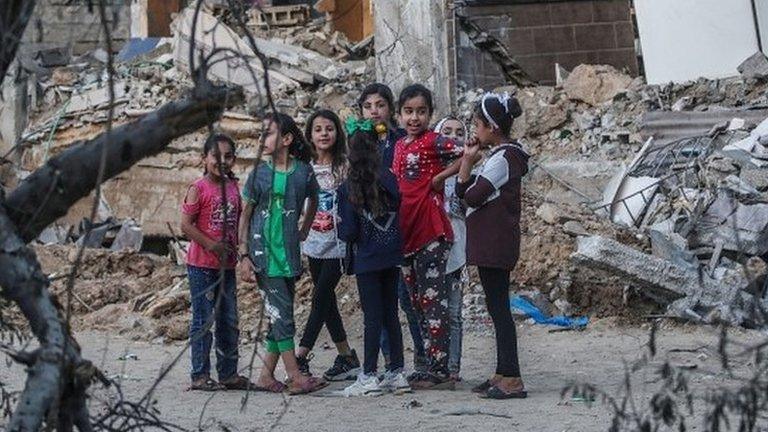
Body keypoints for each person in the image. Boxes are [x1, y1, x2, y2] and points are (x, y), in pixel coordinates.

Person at [237, 113, 327, 395]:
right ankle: (295, 376)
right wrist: (243, 254)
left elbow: (315, 197)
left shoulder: (303, 172)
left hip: (288, 254)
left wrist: (304, 229)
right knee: (284, 315)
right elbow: (245, 213)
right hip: (263, 255)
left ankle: (265, 376)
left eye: (269, 133)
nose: (263, 139)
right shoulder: (258, 174)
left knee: (279, 316)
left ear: (286, 139)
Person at [456, 92, 528, 400]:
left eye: (477, 124)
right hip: (492, 242)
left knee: (499, 309)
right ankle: (502, 371)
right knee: (495, 307)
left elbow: (470, 195)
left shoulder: (505, 157)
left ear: (492, 127)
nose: (475, 129)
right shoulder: (501, 155)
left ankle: (512, 378)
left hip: (495, 243)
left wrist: (466, 164)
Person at [391, 84, 462, 389]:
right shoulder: (398, 146)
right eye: (408, 111)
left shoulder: (435, 141)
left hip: (431, 231)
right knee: (417, 302)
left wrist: (439, 178)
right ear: (399, 114)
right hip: (405, 234)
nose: (414, 117)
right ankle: (428, 364)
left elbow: (468, 152)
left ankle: (442, 369)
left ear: (430, 114)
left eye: (421, 111)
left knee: (435, 302)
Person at [337, 118, 410, 396]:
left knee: (372, 318)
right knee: (391, 314)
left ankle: (368, 374)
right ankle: (397, 372)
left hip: (366, 259)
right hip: (391, 256)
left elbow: (349, 231)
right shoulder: (390, 178)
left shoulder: (349, 187)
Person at [358, 83, 426, 373]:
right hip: (371, 232)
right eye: (368, 106)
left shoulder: (402, 141)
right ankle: (390, 363)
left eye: (380, 105)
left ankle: (423, 359)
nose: (374, 111)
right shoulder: (359, 141)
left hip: (403, 225)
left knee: (409, 301)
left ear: (391, 109)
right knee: (380, 307)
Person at [180, 133, 253, 391]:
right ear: (205, 158)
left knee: (228, 319)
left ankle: (228, 374)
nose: (222, 161)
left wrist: (243, 253)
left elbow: (241, 221)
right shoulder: (197, 188)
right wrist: (211, 245)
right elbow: (185, 226)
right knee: (203, 321)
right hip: (201, 266)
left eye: (228, 156)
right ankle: (199, 375)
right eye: (216, 156)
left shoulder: (233, 187)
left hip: (226, 266)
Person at [295, 109, 361, 381]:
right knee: (327, 300)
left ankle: (300, 355)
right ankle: (346, 356)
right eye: (318, 129)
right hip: (312, 241)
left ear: (337, 133)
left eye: (329, 128)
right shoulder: (304, 167)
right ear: (310, 135)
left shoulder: (345, 166)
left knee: (320, 296)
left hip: (337, 242)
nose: (324, 133)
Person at [433, 116, 468, 382]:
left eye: (459, 132)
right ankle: (431, 366)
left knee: (454, 312)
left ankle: (453, 368)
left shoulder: (467, 174)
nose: (453, 136)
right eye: (447, 131)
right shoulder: (426, 169)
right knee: (430, 311)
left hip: (456, 248)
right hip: (429, 247)